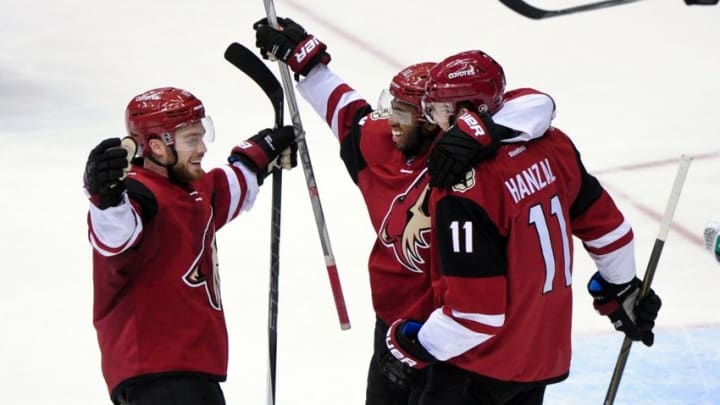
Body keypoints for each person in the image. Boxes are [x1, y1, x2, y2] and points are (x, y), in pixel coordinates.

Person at [253, 19, 557, 404]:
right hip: (395, 327)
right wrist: (309, 65)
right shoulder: (379, 142)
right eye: (391, 107)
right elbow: (348, 112)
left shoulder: (475, 155)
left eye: (405, 112)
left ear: (436, 117)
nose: (392, 121)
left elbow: (537, 105)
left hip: (459, 335)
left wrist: (480, 131)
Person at [383, 50, 663, 404]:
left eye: (440, 110)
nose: (434, 122)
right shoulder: (553, 144)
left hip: (479, 367)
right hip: (541, 358)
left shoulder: (465, 186)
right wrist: (622, 288)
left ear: (469, 111)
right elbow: (611, 233)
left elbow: (475, 316)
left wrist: (410, 345)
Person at [83, 86, 297, 405]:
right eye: (191, 140)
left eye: (201, 135)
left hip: (186, 373)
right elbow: (114, 237)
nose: (202, 149)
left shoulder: (191, 189)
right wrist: (106, 196)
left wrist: (261, 153)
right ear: (156, 146)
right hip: (158, 374)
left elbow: (225, 188)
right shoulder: (139, 194)